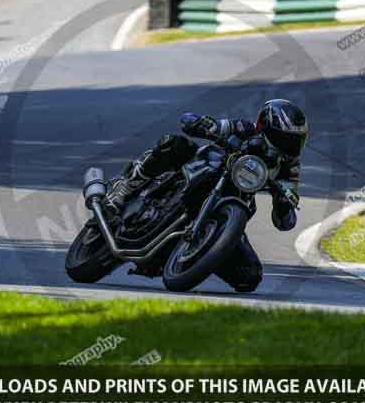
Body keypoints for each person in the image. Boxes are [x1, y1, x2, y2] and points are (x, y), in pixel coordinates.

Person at [105, 99, 309, 293]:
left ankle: (201, 252)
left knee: (249, 276)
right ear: (265, 126)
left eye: (295, 141)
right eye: (284, 138)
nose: (289, 146)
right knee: (174, 144)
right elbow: (214, 125)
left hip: (233, 201)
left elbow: (286, 221)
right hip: (207, 169)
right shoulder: (244, 128)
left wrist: (284, 203)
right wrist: (203, 124)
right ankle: (126, 186)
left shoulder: (289, 167)